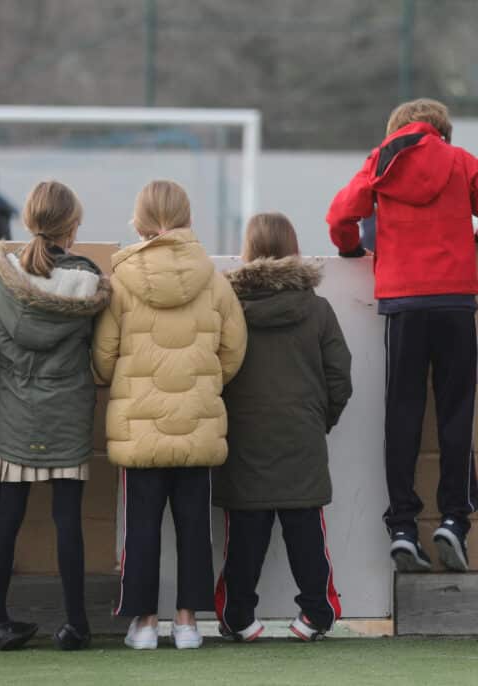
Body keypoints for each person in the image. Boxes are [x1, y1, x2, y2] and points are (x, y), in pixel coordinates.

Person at [92, 180, 247, 650]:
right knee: (194, 527)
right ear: (187, 217)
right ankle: (187, 623)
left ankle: (143, 623)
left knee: (140, 526)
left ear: (139, 221)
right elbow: (234, 350)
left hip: (139, 428)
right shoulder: (214, 279)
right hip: (197, 423)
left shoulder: (122, 280)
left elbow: (103, 357)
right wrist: (203, 382)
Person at [327, 98, 478, 573]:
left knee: (402, 414)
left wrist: (352, 250)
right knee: (457, 413)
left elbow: (339, 218)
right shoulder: (460, 161)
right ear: (441, 130)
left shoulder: (380, 162)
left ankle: (403, 528)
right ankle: (454, 520)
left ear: (397, 129)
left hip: (403, 304)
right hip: (455, 301)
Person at [0, 180, 111, 651]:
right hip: (67, 410)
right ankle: (77, 624)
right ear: (72, 227)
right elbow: (100, 346)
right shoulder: (88, 280)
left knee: (7, 514)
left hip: (18, 408)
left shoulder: (3, 275)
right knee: (67, 518)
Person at [213, 213, 352, 643]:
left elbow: (213, 371)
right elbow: (340, 378)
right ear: (294, 249)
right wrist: (318, 420)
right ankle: (317, 614)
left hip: (243, 438)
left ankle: (238, 617)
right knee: (306, 531)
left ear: (247, 252)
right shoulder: (317, 309)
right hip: (301, 436)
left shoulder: (229, 309)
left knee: (245, 535)